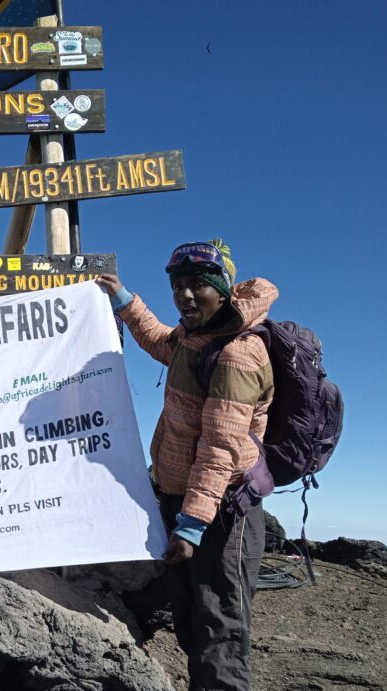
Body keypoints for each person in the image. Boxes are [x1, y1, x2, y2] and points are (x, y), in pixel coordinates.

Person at [96, 239, 276, 690]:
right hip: (184, 501)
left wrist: (191, 524)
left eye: (199, 286)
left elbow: (221, 448)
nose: (186, 296)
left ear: (225, 292)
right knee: (192, 620)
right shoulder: (194, 339)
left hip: (221, 513)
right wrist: (124, 299)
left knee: (220, 628)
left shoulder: (235, 354)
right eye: (179, 286)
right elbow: (159, 340)